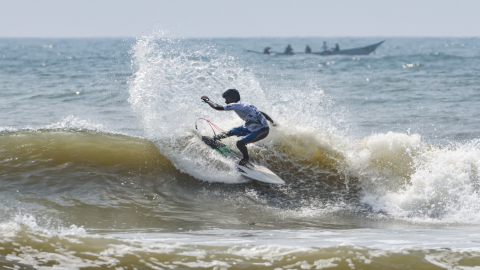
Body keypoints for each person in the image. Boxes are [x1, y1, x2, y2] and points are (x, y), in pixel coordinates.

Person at [201, 89, 276, 166]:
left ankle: (246, 158)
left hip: (262, 130)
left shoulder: (237, 105)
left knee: (240, 143)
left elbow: (217, 107)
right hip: (250, 126)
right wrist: (272, 122)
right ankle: (214, 139)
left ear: (233, 98)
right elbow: (261, 113)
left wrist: (207, 100)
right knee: (230, 132)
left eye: (227, 99)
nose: (226, 102)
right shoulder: (246, 104)